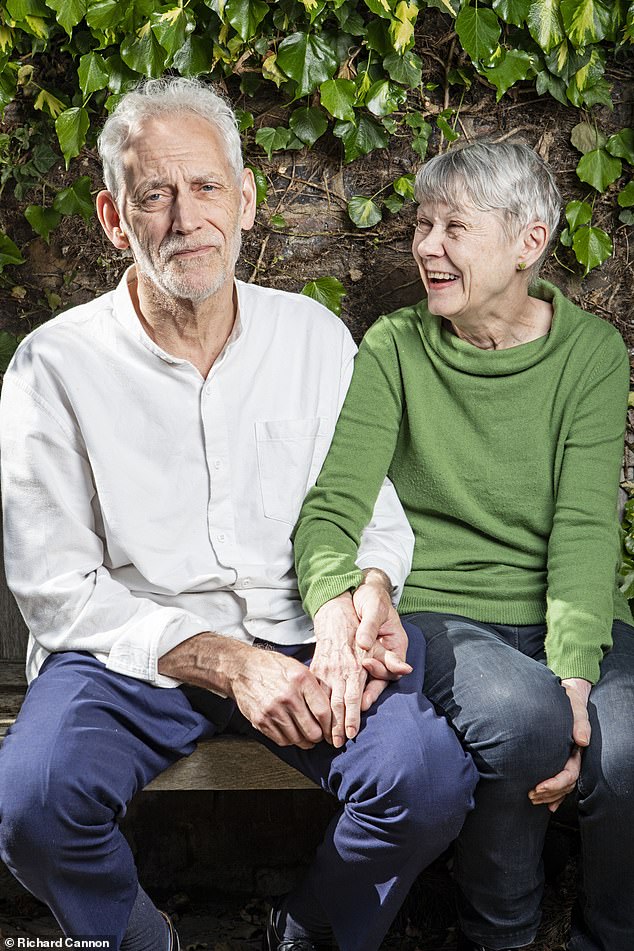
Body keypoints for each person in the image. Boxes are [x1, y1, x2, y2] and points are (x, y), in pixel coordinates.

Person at [0, 77, 477, 951]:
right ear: (116, 219)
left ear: (247, 198)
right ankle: (143, 940)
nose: (187, 217)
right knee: (31, 799)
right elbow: (56, 586)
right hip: (136, 654)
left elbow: (370, 519)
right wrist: (230, 664)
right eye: (155, 195)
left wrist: (360, 599)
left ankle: (306, 931)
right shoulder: (52, 366)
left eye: (208, 186)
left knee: (428, 778)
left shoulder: (315, 339)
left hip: (301, 635)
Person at [293, 139, 634, 951]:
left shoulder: (590, 354)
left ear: (530, 241)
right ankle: (503, 936)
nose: (426, 246)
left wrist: (578, 678)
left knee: (624, 751)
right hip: (444, 609)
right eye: (421, 224)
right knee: (524, 721)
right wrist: (339, 605)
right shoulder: (394, 347)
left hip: (567, 608)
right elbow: (332, 507)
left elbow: (587, 525)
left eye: (454, 226)